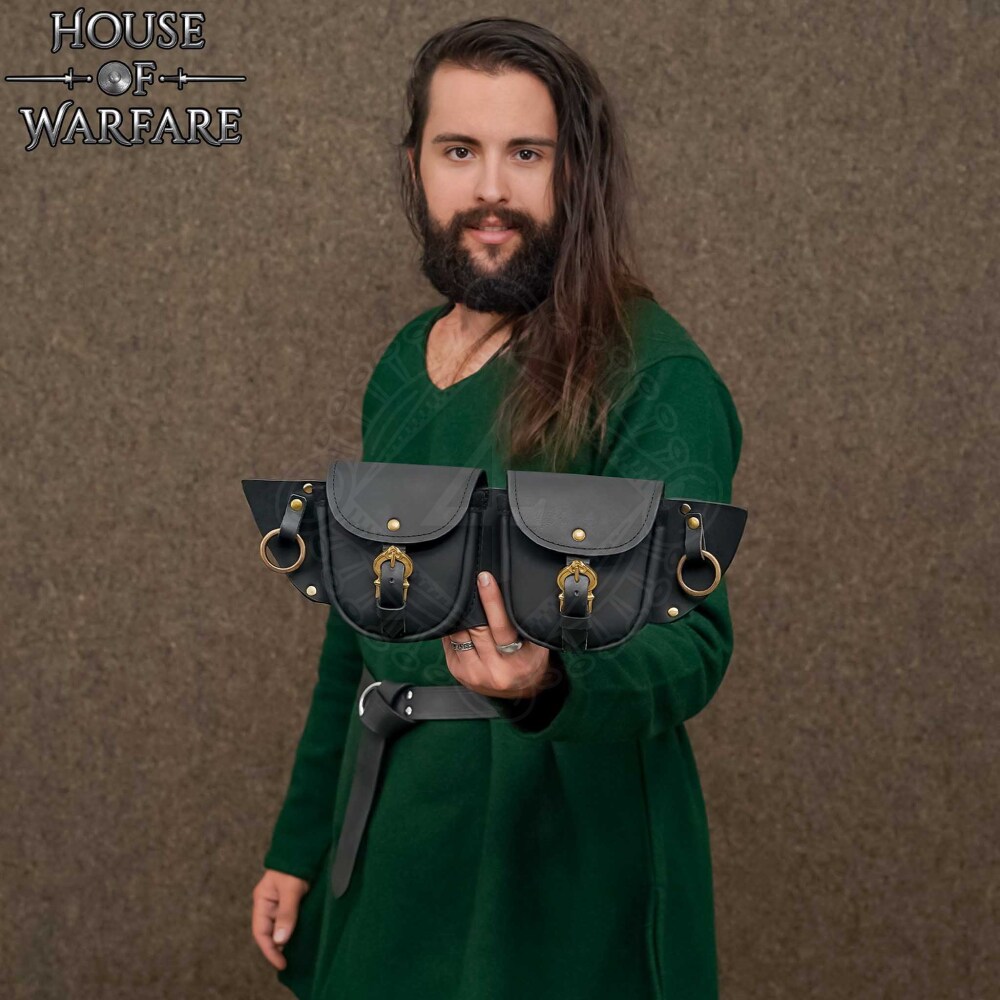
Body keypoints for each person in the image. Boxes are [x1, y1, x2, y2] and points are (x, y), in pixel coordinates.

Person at [250, 16, 743, 1000]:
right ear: (416, 166)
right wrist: (300, 841)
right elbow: (359, 616)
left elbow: (690, 645)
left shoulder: (654, 373)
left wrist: (549, 678)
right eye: (458, 151)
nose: (489, 189)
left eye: (526, 153)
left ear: (577, 170)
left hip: (562, 861)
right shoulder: (404, 363)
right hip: (397, 837)